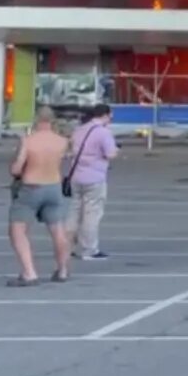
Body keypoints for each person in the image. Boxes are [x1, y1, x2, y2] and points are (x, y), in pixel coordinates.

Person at [6, 105, 73, 287]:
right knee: (58, 231)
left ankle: (29, 272)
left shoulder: (28, 141)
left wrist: (14, 168)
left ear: (36, 120)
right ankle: (63, 270)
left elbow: (17, 169)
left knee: (18, 230)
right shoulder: (62, 141)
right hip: (54, 187)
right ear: (52, 121)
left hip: (31, 187)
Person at [64, 104, 118, 260]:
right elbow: (110, 154)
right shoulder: (103, 132)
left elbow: (71, 150)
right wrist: (117, 150)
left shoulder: (80, 130)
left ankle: (66, 246)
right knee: (91, 214)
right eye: (110, 116)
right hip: (94, 178)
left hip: (76, 177)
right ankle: (89, 249)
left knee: (74, 212)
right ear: (105, 115)